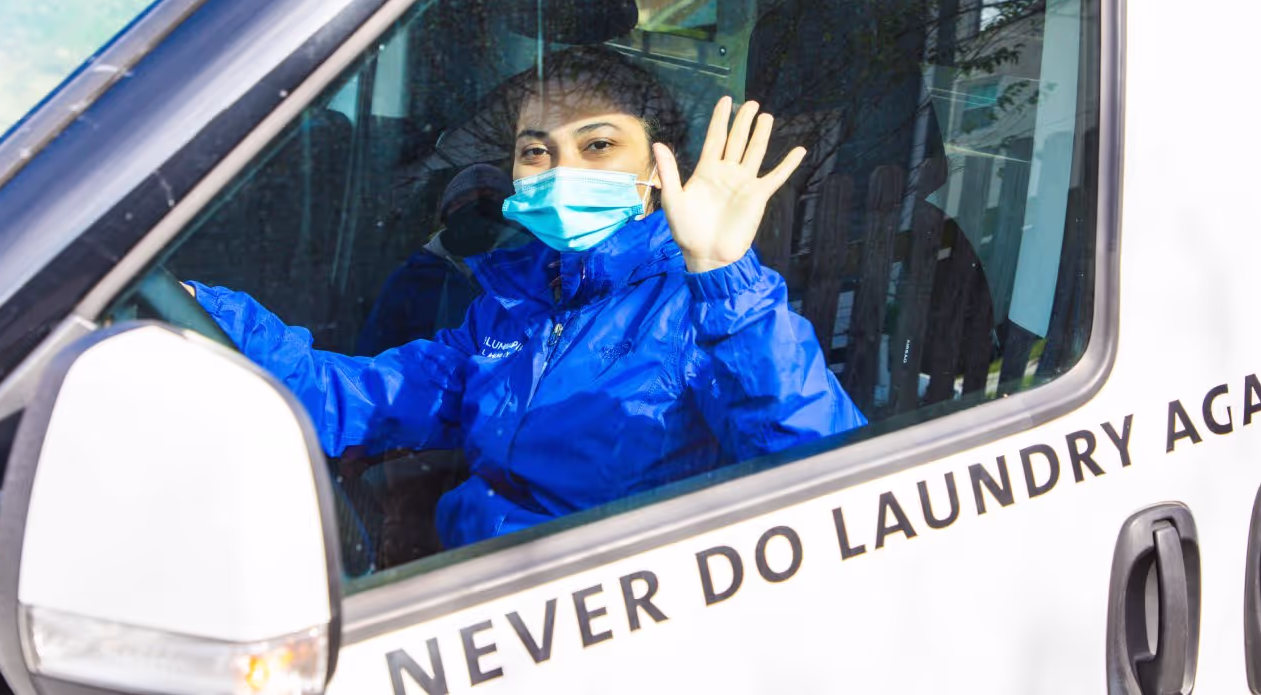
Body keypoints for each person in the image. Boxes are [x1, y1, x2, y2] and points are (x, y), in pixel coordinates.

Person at [189, 47, 865, 549]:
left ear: (659, 171)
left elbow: (828, 478)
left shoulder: (704, 310)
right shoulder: (511, 305)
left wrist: (725, 276)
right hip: (470, 591)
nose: (562, 169)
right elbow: (357, 398)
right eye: (536, 151)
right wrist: (207, 312)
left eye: (598, 145)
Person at [355, 164, 518, 355]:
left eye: (490, 200)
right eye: (465, 201)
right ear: (447, 213)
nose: (478, 211)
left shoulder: (523, 277)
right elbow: (373, 357)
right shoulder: (411, 280)